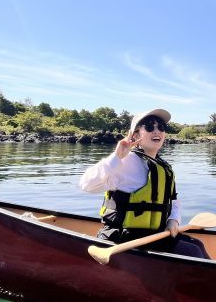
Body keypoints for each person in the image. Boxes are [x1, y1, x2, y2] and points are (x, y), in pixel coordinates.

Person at [79, 108, 209, 259]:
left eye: (161, 127)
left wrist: (173, 220)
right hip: (122, 238)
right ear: (135, 135)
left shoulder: (164, 167)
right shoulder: (125, 162)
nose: (157, 131)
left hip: (153, 236)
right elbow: (86, 185)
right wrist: (116, 157)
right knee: (192, 252)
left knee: (197, 245)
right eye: (149, 127)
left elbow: (173, 201)